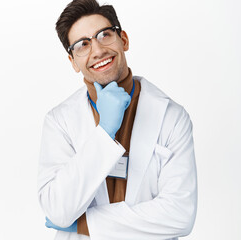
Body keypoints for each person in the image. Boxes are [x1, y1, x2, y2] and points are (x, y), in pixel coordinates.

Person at [37, 0, 197, 239]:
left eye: (104, 35)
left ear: (123, 40)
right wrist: (104, 133)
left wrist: (85, 224)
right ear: (73, 62)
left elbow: (180, 214)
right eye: (82, 45)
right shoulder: (59, 121)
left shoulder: (172, 117)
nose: (98, 51)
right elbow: (59, 211)